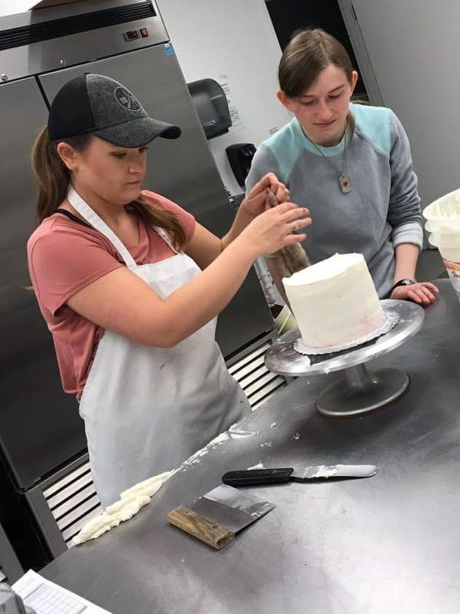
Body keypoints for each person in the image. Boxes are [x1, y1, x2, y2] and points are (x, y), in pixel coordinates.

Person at [27, 73, 311, 507]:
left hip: (219, 412)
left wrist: (247, 219)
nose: (137, 166)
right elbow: (163, 326)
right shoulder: (58, 244)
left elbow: (217, 258)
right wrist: (255, 241)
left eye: (142, 150)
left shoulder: (151, 207)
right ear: (69, 155)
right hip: (149, 455)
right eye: (119, 154)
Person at [245, 29, 438, 306]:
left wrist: (404, 281)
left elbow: (407, 214)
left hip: (393, 286)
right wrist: (309, 317)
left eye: (335, 95)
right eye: (308, 102)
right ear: (285, 100)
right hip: (326, 303)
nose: (324, 113)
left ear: (352, 83)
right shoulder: (272, 159)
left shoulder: (383, 127)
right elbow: (273, 252)